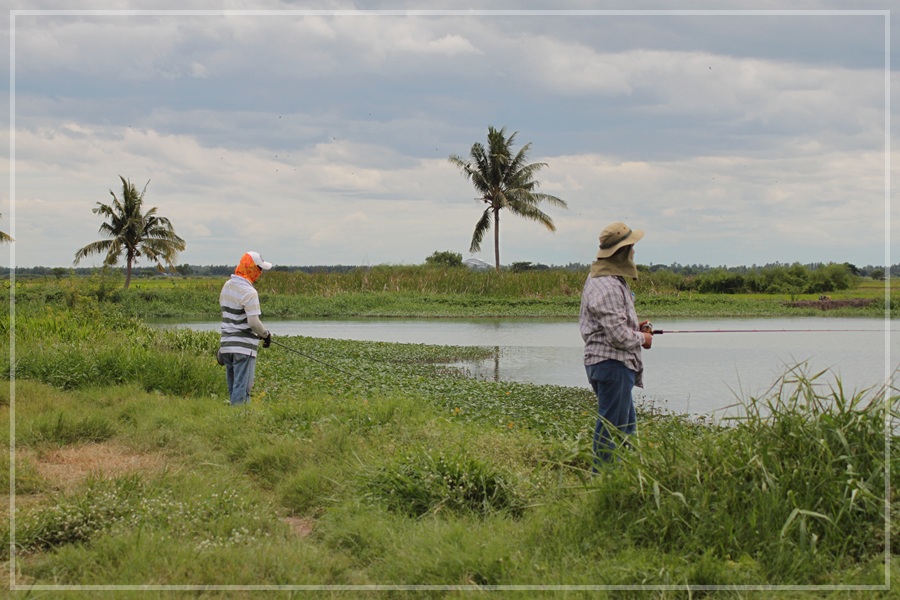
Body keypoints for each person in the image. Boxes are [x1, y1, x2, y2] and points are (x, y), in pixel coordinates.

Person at [579, 222, 652, 466]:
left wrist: (635, 325)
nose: (633, 252)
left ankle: (626, 477)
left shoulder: (602, 277)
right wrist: (643, 338)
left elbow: (612, 324)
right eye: (631, 247)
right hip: (613, 365)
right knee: (611, 429)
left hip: (610, 364)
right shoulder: (608, 285)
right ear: (622, 251)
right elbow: (619, 337)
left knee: (626, 427)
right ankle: (603, 480)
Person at [218, 251, 273, 406]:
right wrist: (265, 335)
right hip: (243, 348)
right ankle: (239, 422)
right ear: (251, 268)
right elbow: (254, 322)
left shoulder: (227, 286)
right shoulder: (250, 292)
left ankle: (233, 420)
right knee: (243, 389)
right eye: (259, 269)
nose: (260, 273)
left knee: (233, 387)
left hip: (226, 347)